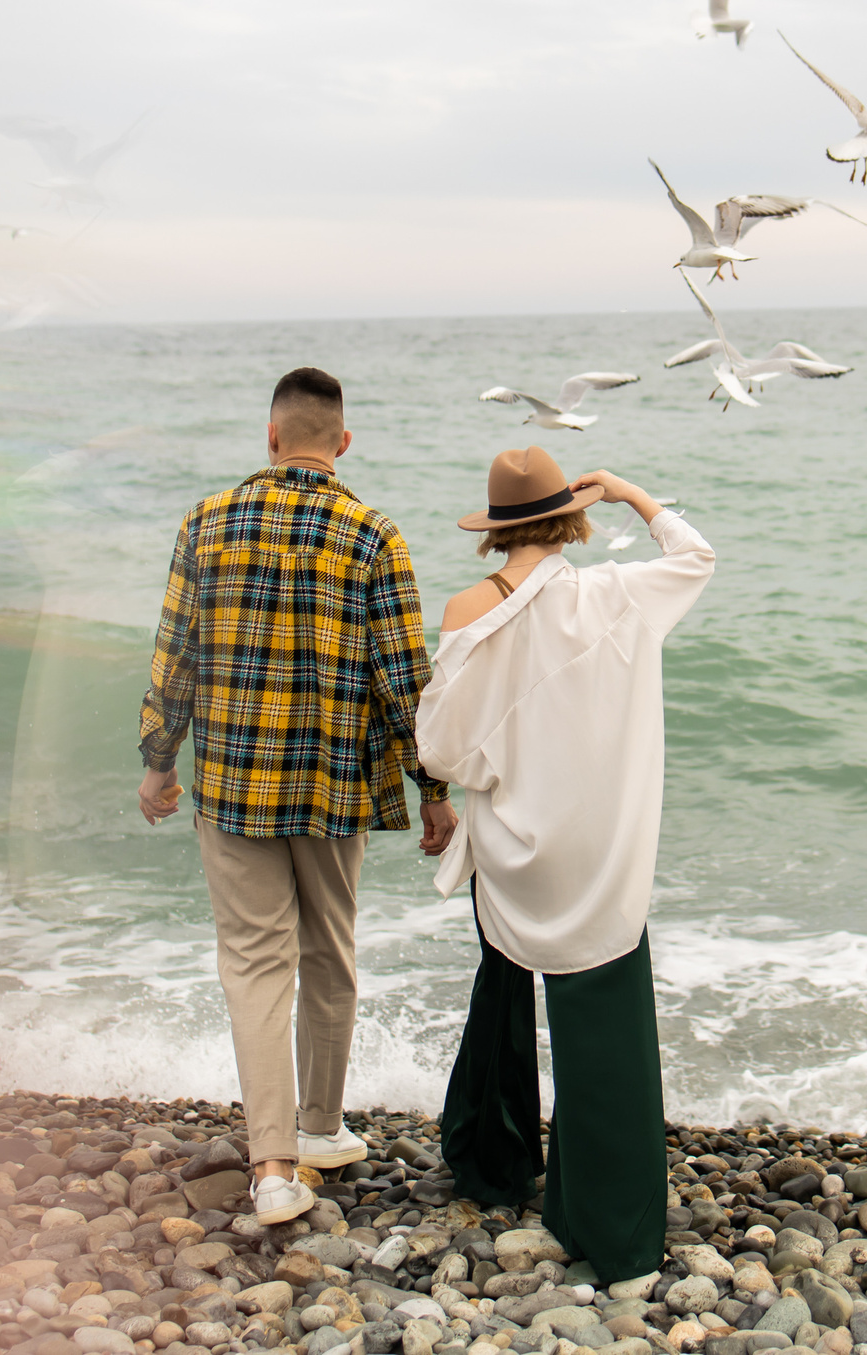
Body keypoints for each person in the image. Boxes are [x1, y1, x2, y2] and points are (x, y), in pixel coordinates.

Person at [134, 366, 457, 1225]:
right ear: (342, 442)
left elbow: (175, 655)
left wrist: (160, 759)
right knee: (329, 951)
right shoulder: (373, 533)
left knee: (253, 963)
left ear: (272, 436)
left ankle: (274, 1165)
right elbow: (405, 678)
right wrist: (433, 786)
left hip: (234, 783)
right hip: (332, 785)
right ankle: (318, 1124)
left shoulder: (205, 521)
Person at [415, 446, 715, 1281]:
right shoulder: (617, 595)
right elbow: (696, 555)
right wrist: (628, 492)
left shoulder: (468, 607)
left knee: (504, 989)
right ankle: (610, 1227)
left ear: (495, 528)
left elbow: (440, 746)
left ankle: (494, 1157)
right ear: (569, 517)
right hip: (598, 852)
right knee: (605, 1031)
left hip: (514, 849)